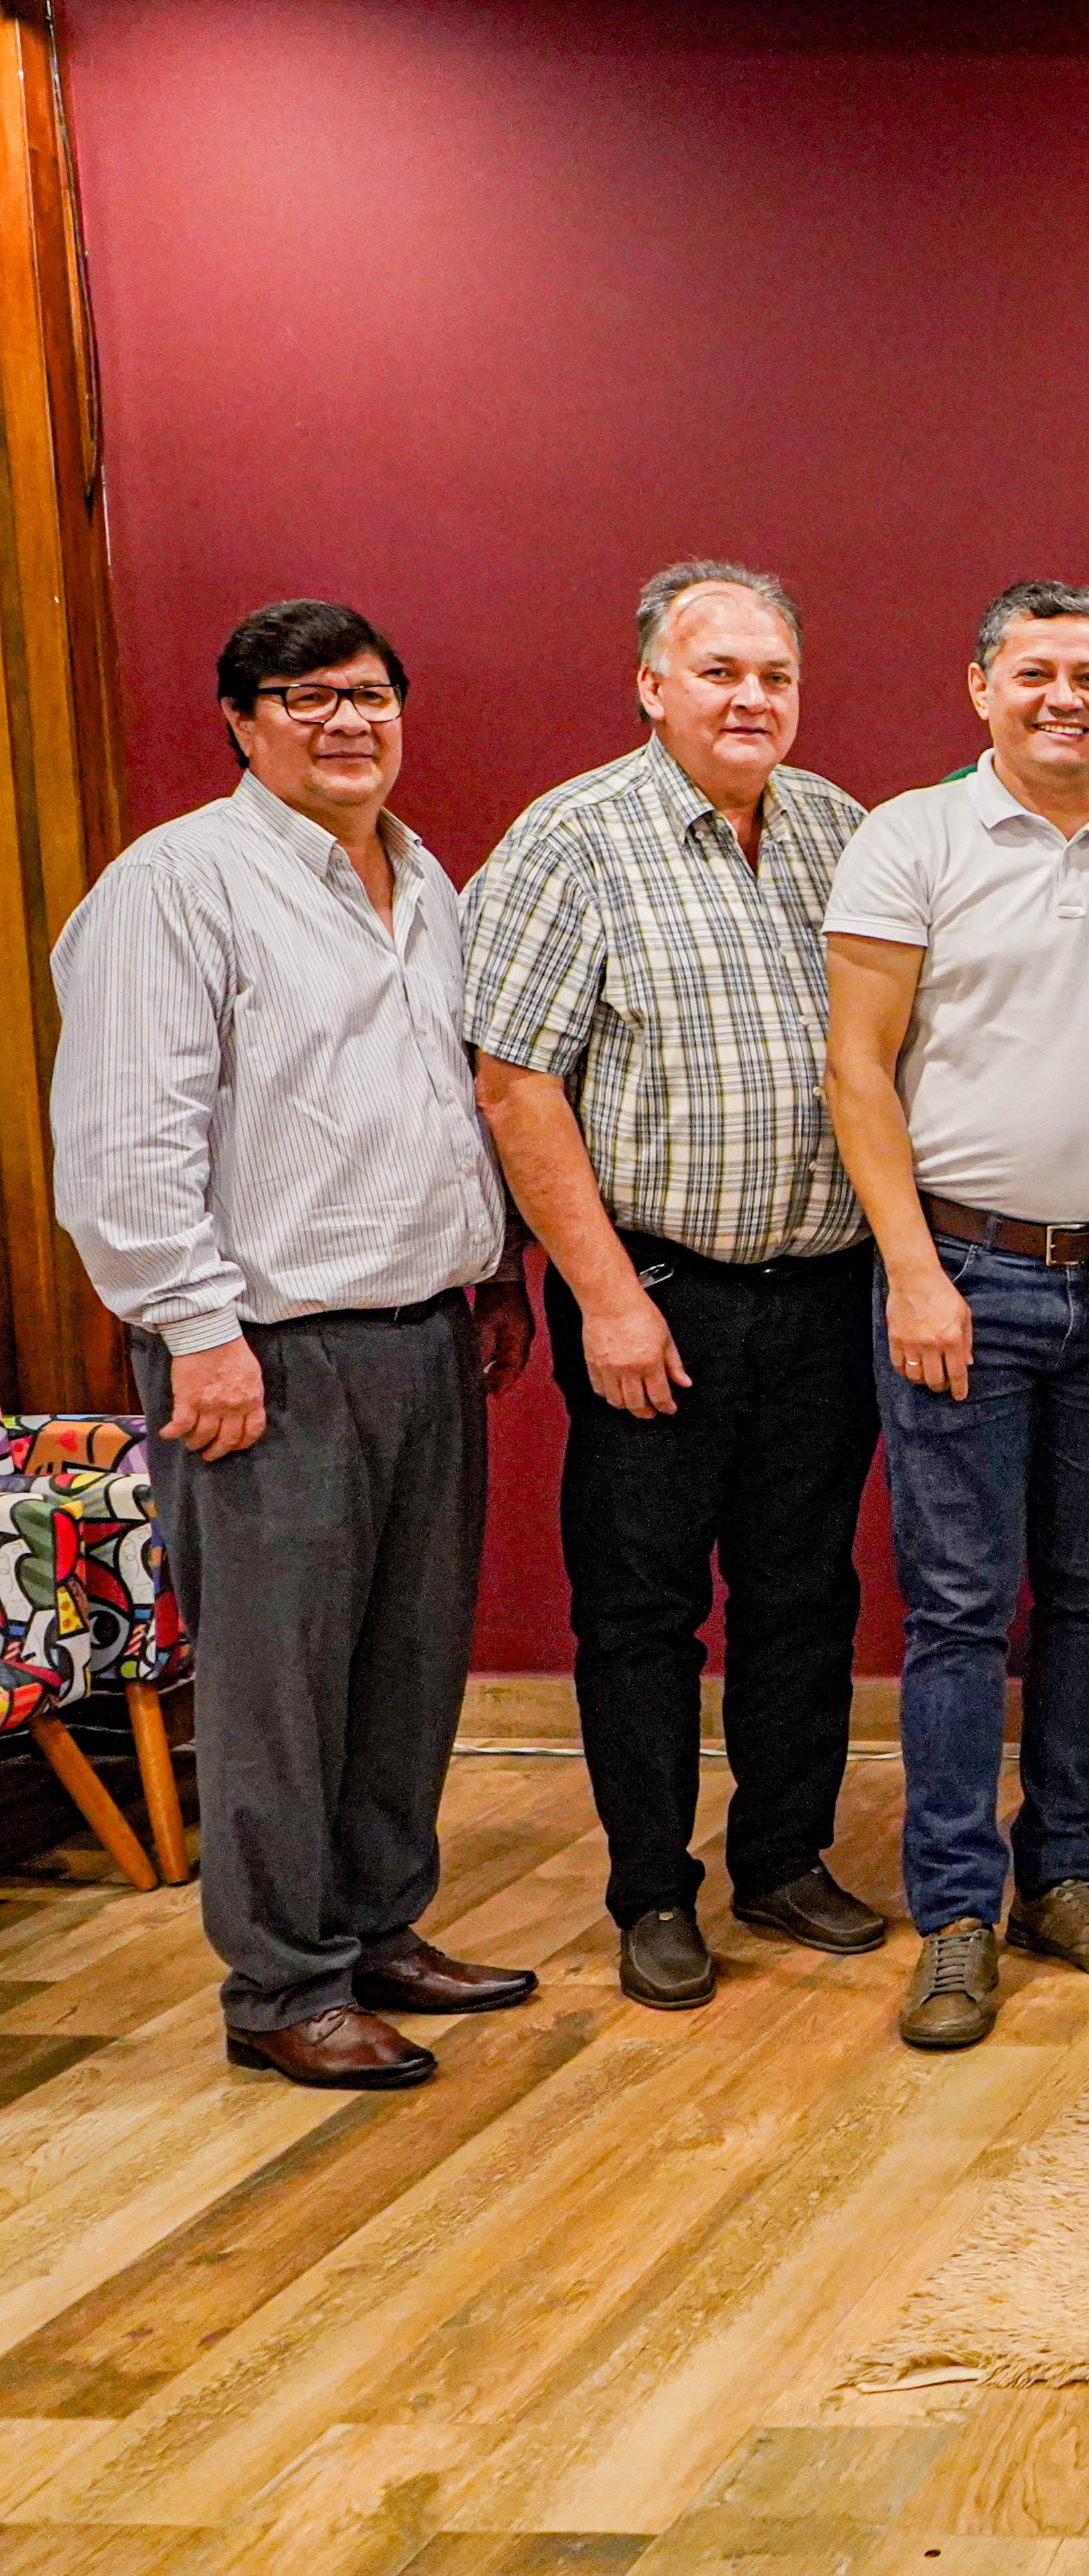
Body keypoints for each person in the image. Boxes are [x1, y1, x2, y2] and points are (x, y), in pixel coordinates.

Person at [50, 600, 539, 2088]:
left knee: (404, 1663)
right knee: (277, 1682)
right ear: (241, 719)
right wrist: (196, 1329)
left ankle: (379, 1924)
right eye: (306, 696)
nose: (347, 721)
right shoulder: (178, 887)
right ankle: (280, 1983)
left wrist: (494, 1265)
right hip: (262, 1353)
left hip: (421, 1332)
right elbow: (125, 1138)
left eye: (372, 694)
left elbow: (449, 1098)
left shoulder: (421, 877)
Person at [468, 561, 886, 2011]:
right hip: (657, 1287)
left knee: (804, 1592)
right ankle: (653, 1887)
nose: (750, 697)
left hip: (825, 1288)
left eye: (772, 671)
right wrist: (607, 1297)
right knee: (641, 1608)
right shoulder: (571, 841)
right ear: (651, 684)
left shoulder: (840, 829)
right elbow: (516, 1083)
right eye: (717, 671)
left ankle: (783, 1855)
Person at [822, 583, 1089, 2052]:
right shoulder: (912, 837)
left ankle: (1068, 1875)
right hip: (964, 1275)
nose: (1065, 696)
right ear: (979, 685)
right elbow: (859, 1068)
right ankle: (958, 1914)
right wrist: (911, 1269)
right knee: (966, 1606)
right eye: (1033, 671)